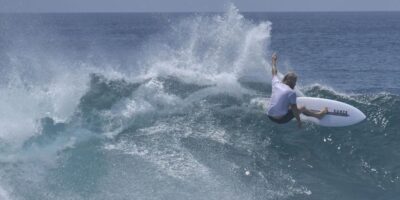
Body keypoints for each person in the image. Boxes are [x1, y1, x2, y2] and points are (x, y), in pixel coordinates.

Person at [266, 53, 328, 128]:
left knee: (287, 104)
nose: (295, 85)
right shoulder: (291, 93)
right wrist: (299, 121)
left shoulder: (276, 83)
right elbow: (295, 110)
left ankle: (306, 112)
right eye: (295, 82)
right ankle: (319, 115)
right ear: (290, 81)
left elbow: (274, 71)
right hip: (280, 119)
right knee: (302, 108)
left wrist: (273, 61)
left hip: (269, 116)